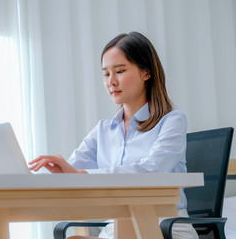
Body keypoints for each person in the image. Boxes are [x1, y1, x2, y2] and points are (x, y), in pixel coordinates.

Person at [28, 31, 198, 239]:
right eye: (106, 74)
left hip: (164, 226)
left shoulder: (172, 121)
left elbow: (151, 170)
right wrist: (43, 175)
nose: (111, 81)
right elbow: (71, 169)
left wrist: (81, 175)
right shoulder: (103, 130)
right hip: (116, 228)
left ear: (146, 72)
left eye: (120, 71)